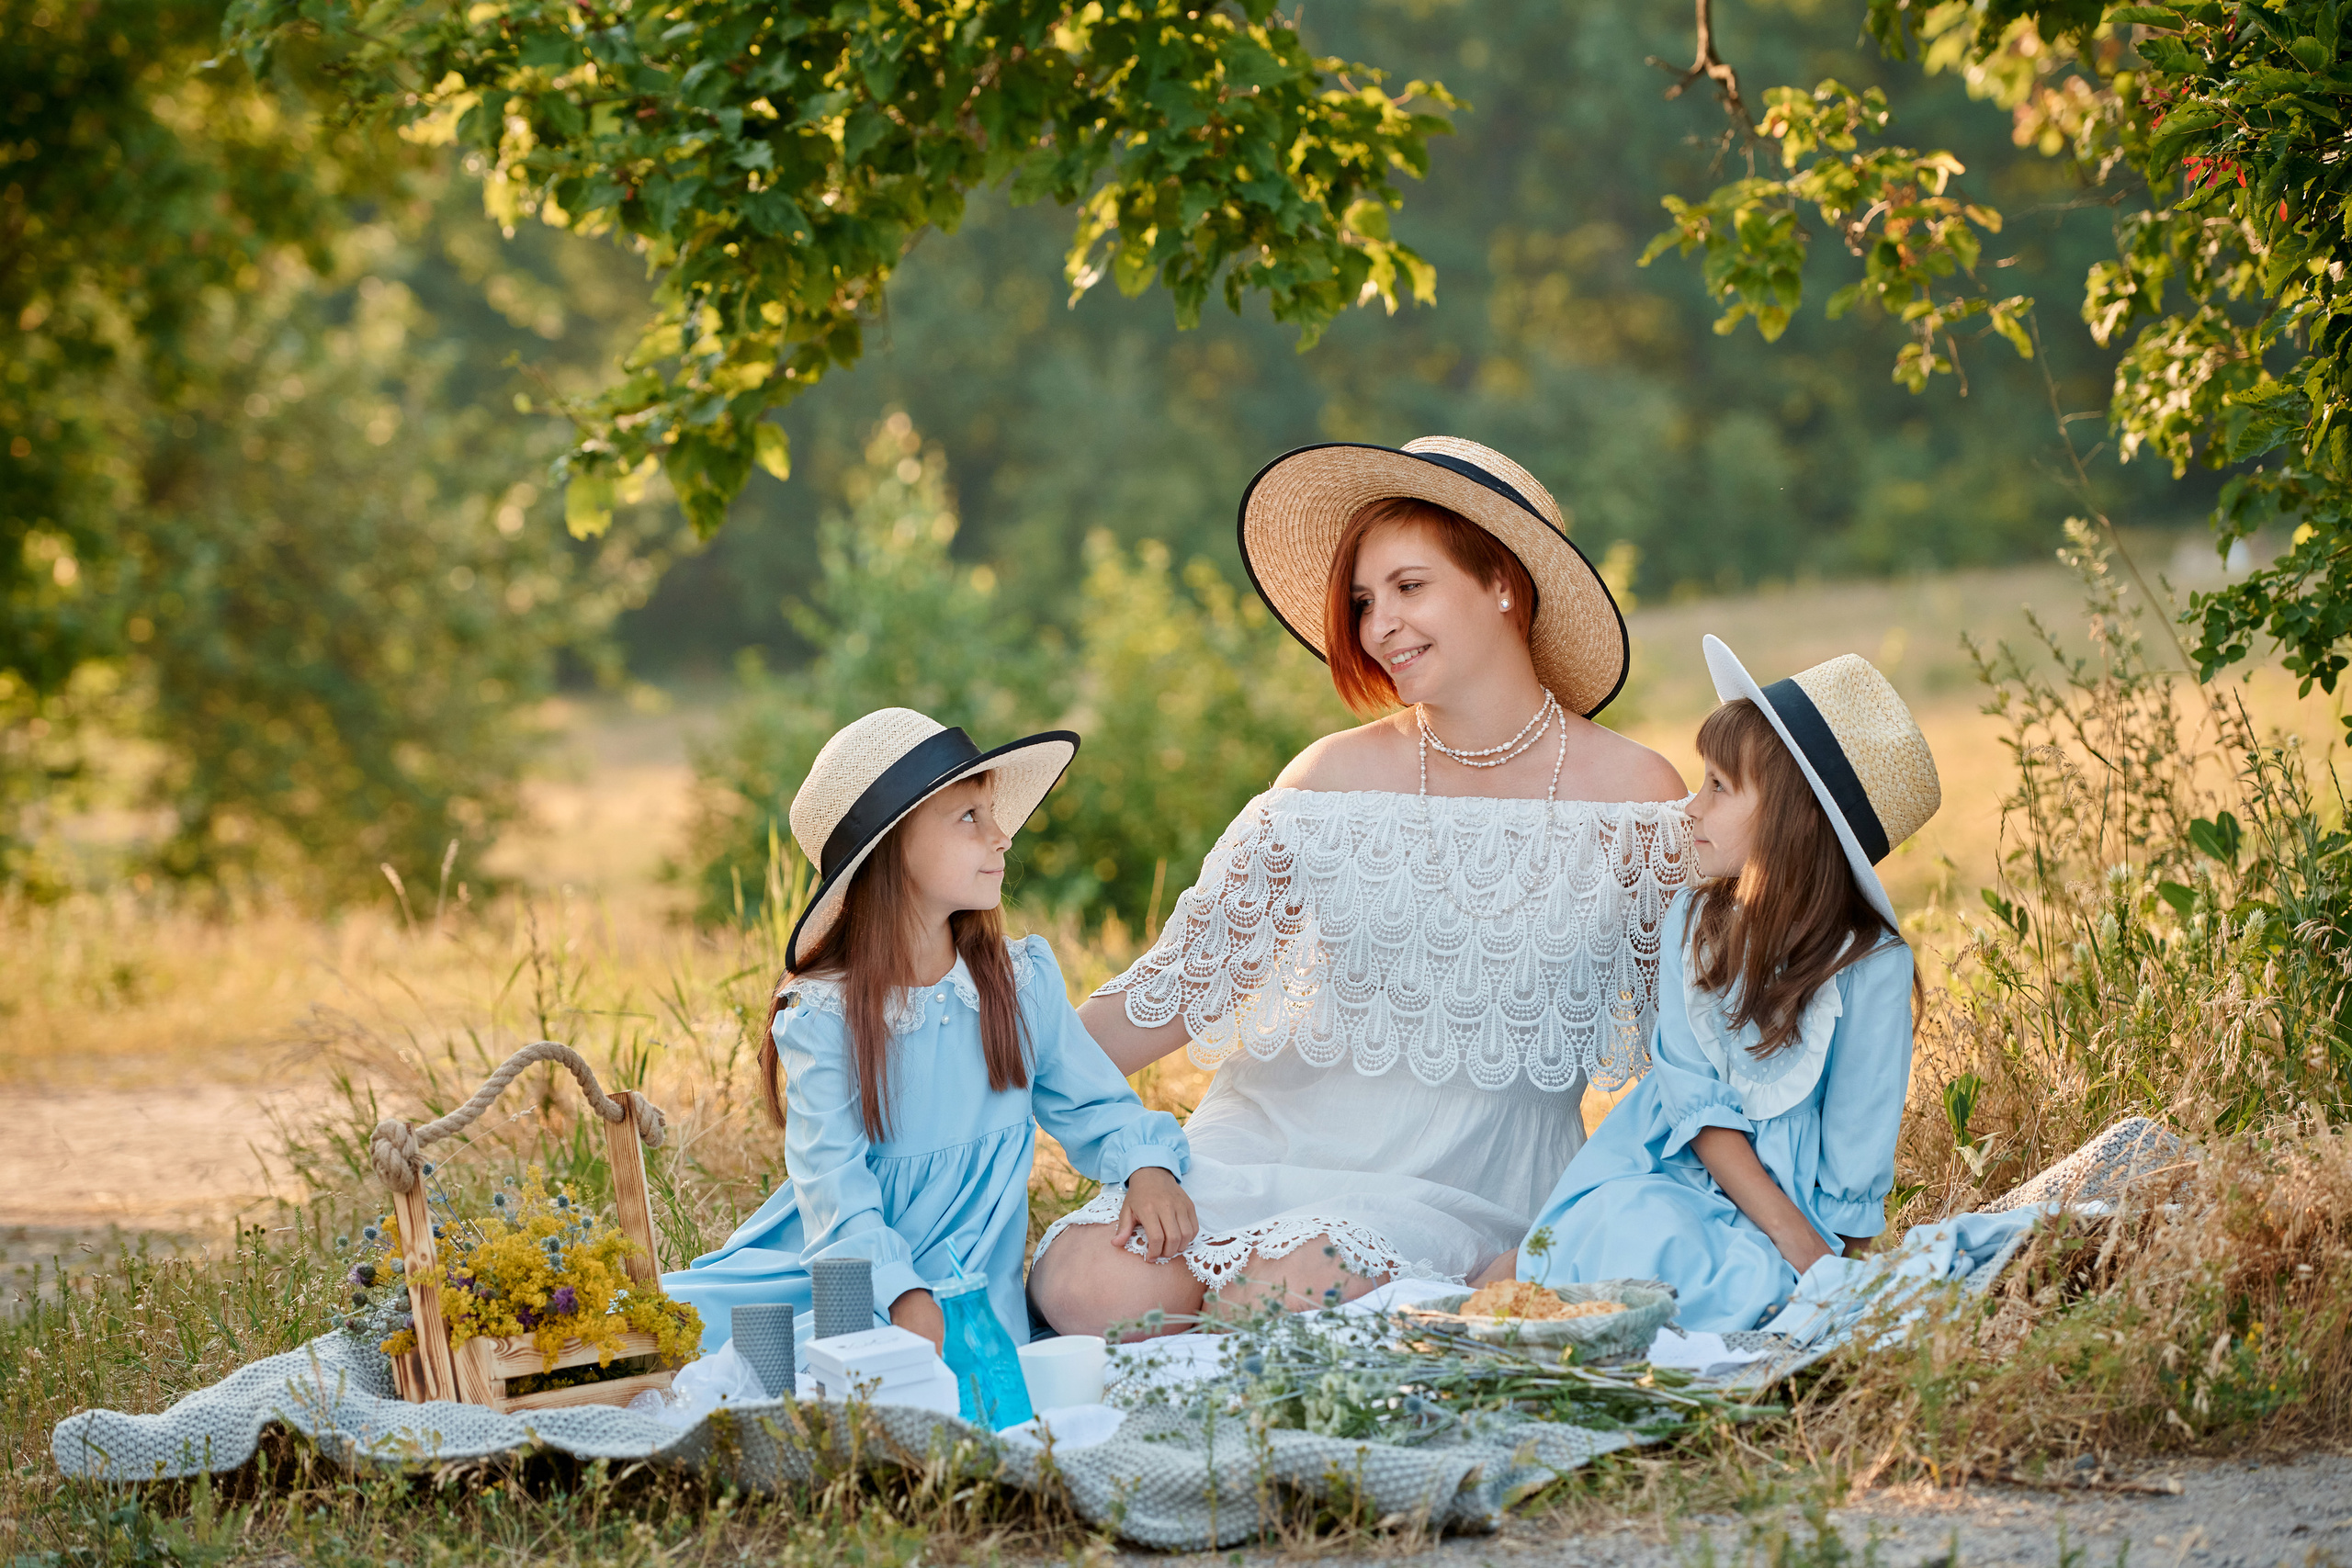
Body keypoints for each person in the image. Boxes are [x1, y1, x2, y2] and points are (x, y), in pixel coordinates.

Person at [1026, 437, 1691, 1337]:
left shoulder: (1636, 798)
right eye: (1363, 602)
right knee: (1079, 1284)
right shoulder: (1327, 781)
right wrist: (970, 1072)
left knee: (1292, 1289)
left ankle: (1252, 1367)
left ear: (1502, 581)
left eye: (1409, 587)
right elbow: (1174, 988)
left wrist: (1584, 1219)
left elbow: (1688, 1055)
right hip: (1261, 1143)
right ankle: (1248, 1367)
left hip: (1466, 1177)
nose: (1379, 626)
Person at [662, 708, 1195, 1359]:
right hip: (845, 1278)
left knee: (965, 1381)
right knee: (698, 1347)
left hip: (970, 1294)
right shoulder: (824, 1016)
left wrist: (1147, 1166)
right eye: (969, 817)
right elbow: (836, 1192)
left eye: (992, 812)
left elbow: (1097, 1108)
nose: (1001, 836)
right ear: (893, 847)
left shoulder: (1017, 984)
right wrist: (902, 1295)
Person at [1489, 637, 1939, 1331]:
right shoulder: (1695, 921)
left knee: (1739, 1284)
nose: (1690, 807)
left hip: (1788, 1210)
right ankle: (1535, 1278)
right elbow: (1697, 1106)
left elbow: (1856, 1153)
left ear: (1795, 819)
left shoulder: (1873, 967)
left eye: (1719, 788)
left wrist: (1826, 1268)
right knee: (1632, 1225)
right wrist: (1802, 1249)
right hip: (1668, 1172)